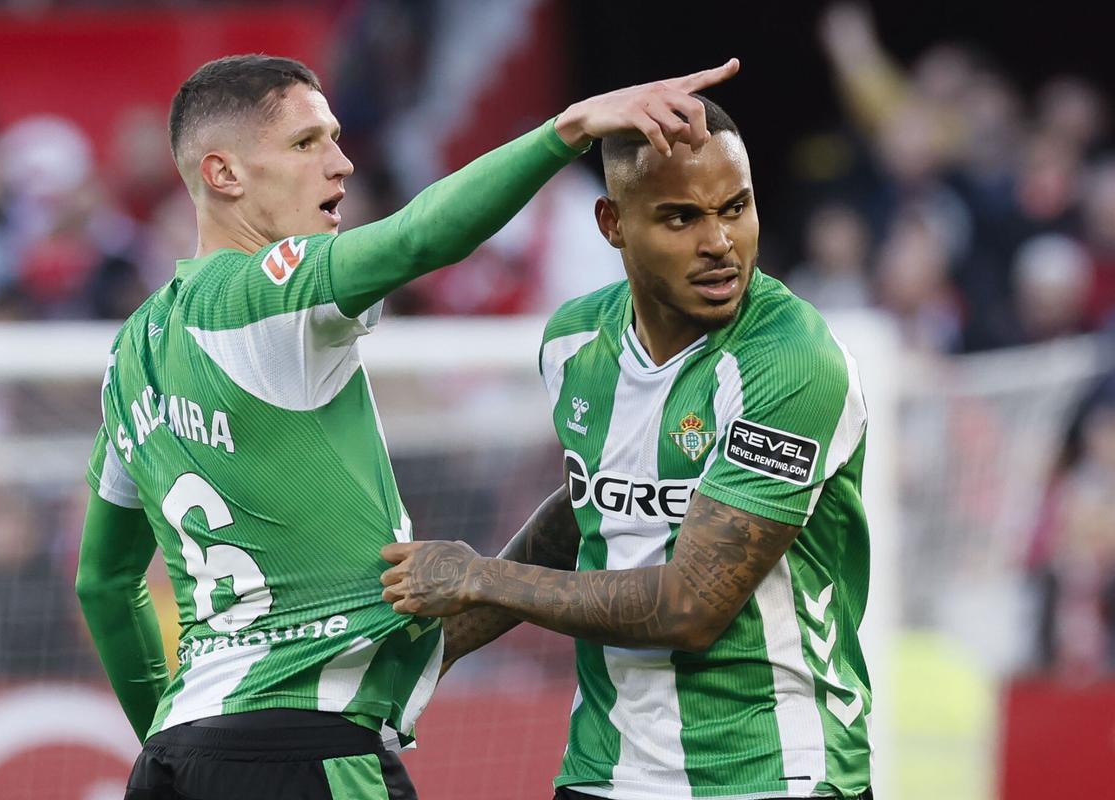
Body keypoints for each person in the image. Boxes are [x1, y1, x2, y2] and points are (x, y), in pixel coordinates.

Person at [74, 53, 740, 800]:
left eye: (335, 137)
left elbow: (103, 581)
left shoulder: (132, 352)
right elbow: (419, 238)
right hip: (307, 747)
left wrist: (172, 734)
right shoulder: (269, 295)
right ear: (224, 175)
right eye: (306, 144)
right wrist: (569, 129)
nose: (342, 162)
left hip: (176, 756)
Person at [381, 96, 873, 799]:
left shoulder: (791, 363)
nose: (720, 243)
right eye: (682, 217)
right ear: (613, 223)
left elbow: (690, 608)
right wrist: (434, 652)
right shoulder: (575, 342)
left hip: (772, 774)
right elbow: (589, 508)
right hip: (603, 772)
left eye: (736, 207)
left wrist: (478, 576)